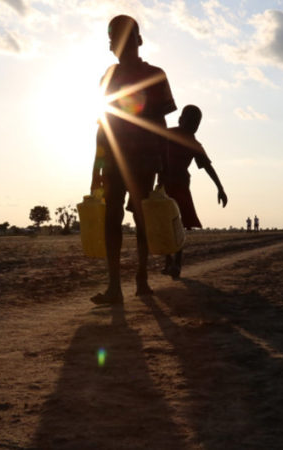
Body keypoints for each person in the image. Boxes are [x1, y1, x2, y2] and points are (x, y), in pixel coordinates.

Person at [90, 15, 177, 305]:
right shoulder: (108, 76)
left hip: (144, 157)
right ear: (111, 45)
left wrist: (163, 163)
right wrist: (97, 169)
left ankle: (141, 278)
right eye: (115, 40)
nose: (119, 45)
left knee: (142, 219)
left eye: (124, 38)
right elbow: (103, 125)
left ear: (139, 41)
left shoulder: (156, 74)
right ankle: (115, 286)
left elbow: (160, 123)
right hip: (116, 158)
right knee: (112, 218)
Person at [160, 105, 227, 279]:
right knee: (165, 224)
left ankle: (176, 263)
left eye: (195, 123)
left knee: (178, 225)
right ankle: (170, 262)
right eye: (191, 121)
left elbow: (208, 167)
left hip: (180, 185)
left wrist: (220, 187)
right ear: (181, 119)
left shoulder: (193, 143)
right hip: (164, 185)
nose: (193, 125)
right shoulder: (167, 134)